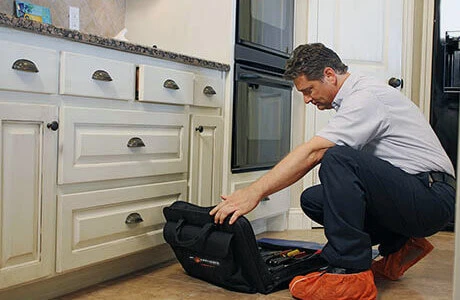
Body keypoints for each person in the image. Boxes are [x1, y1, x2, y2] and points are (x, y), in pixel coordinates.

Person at [210, 43, 456, 299]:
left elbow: (314, 152)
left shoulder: (366, 97)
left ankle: (349, 274)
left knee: (336, 157)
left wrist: (254, 192)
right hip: (416, 194)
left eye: (308, 90)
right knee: (314, 199)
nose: (306, 99)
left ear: (329, 74)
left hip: (431, 197)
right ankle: (400, 247)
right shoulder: (356, 97)